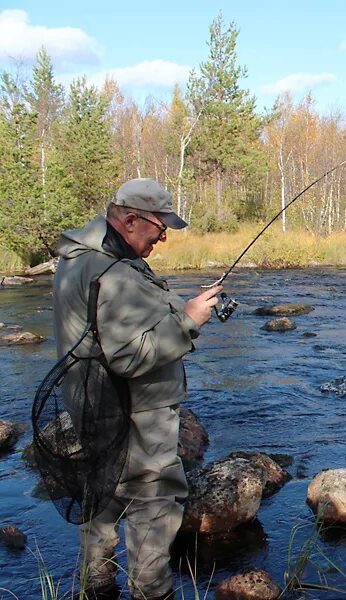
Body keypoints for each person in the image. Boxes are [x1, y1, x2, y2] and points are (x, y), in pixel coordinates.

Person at [52, 178, 222, 600]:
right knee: (153, 501)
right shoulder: (113, 273)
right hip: (135, 414)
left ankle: (97, 587)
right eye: (160, 226)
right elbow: (129, 356)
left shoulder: (78, 259)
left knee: (102, 495)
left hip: (91, 406)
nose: (164, 236)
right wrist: (188, 321)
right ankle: (152, 591)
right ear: (130, 219)